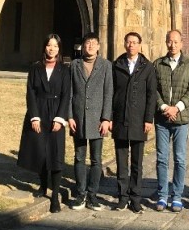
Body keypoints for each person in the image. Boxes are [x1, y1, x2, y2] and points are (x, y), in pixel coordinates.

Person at [17, 33, 71, 213]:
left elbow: (66, 95)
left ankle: (54, 196)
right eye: (49, 45)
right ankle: (42, 185)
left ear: (59, 48)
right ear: (44, 47)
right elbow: (30, 92)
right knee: (40, 150)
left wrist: (60, 118)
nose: (52, 49)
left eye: (55, 46)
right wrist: (34, 116)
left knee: (55, 154)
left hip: (56, 112)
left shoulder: (65, 69)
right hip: (39, 110)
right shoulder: (35, 68)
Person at [111, 31, 156, 213]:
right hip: (120, 119)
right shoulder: (117, 65)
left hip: (139, 120)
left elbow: (152, 94)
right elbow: (111, 93)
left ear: (140, 45)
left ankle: (135, 197)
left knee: (137, 163)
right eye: (128, 42)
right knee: (122, 162)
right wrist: (110, 117)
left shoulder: (147, 67)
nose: (131, 45)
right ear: (124, 44)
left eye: (135, 42)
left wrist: (148, 119)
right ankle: (122, 197)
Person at [153, 29, 189, 212]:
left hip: (181, 119)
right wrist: (164, 107)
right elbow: (153, 89)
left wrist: (177, 107)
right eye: (169, 41)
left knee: (180, 159)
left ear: (181, 43)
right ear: (166, 42)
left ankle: (177, 196)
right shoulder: (158, 64)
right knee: (162, 158)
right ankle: (163, 195)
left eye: (176, 42)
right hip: (162, 119)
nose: (172, 45)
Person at [68, 32, 113, 211]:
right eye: (87, 43)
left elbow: (108, 92)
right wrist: (69, 116)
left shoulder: (105, 65)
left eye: (94, 43)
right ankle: (80, 194)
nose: (90, 46)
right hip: (78, 118)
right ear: (83, 45)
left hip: (97, 119)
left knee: (96, 159)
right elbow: (69, 92)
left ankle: (93, 194)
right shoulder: (74, 65)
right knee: (79, 157)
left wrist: (106, 118)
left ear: (99, 46)